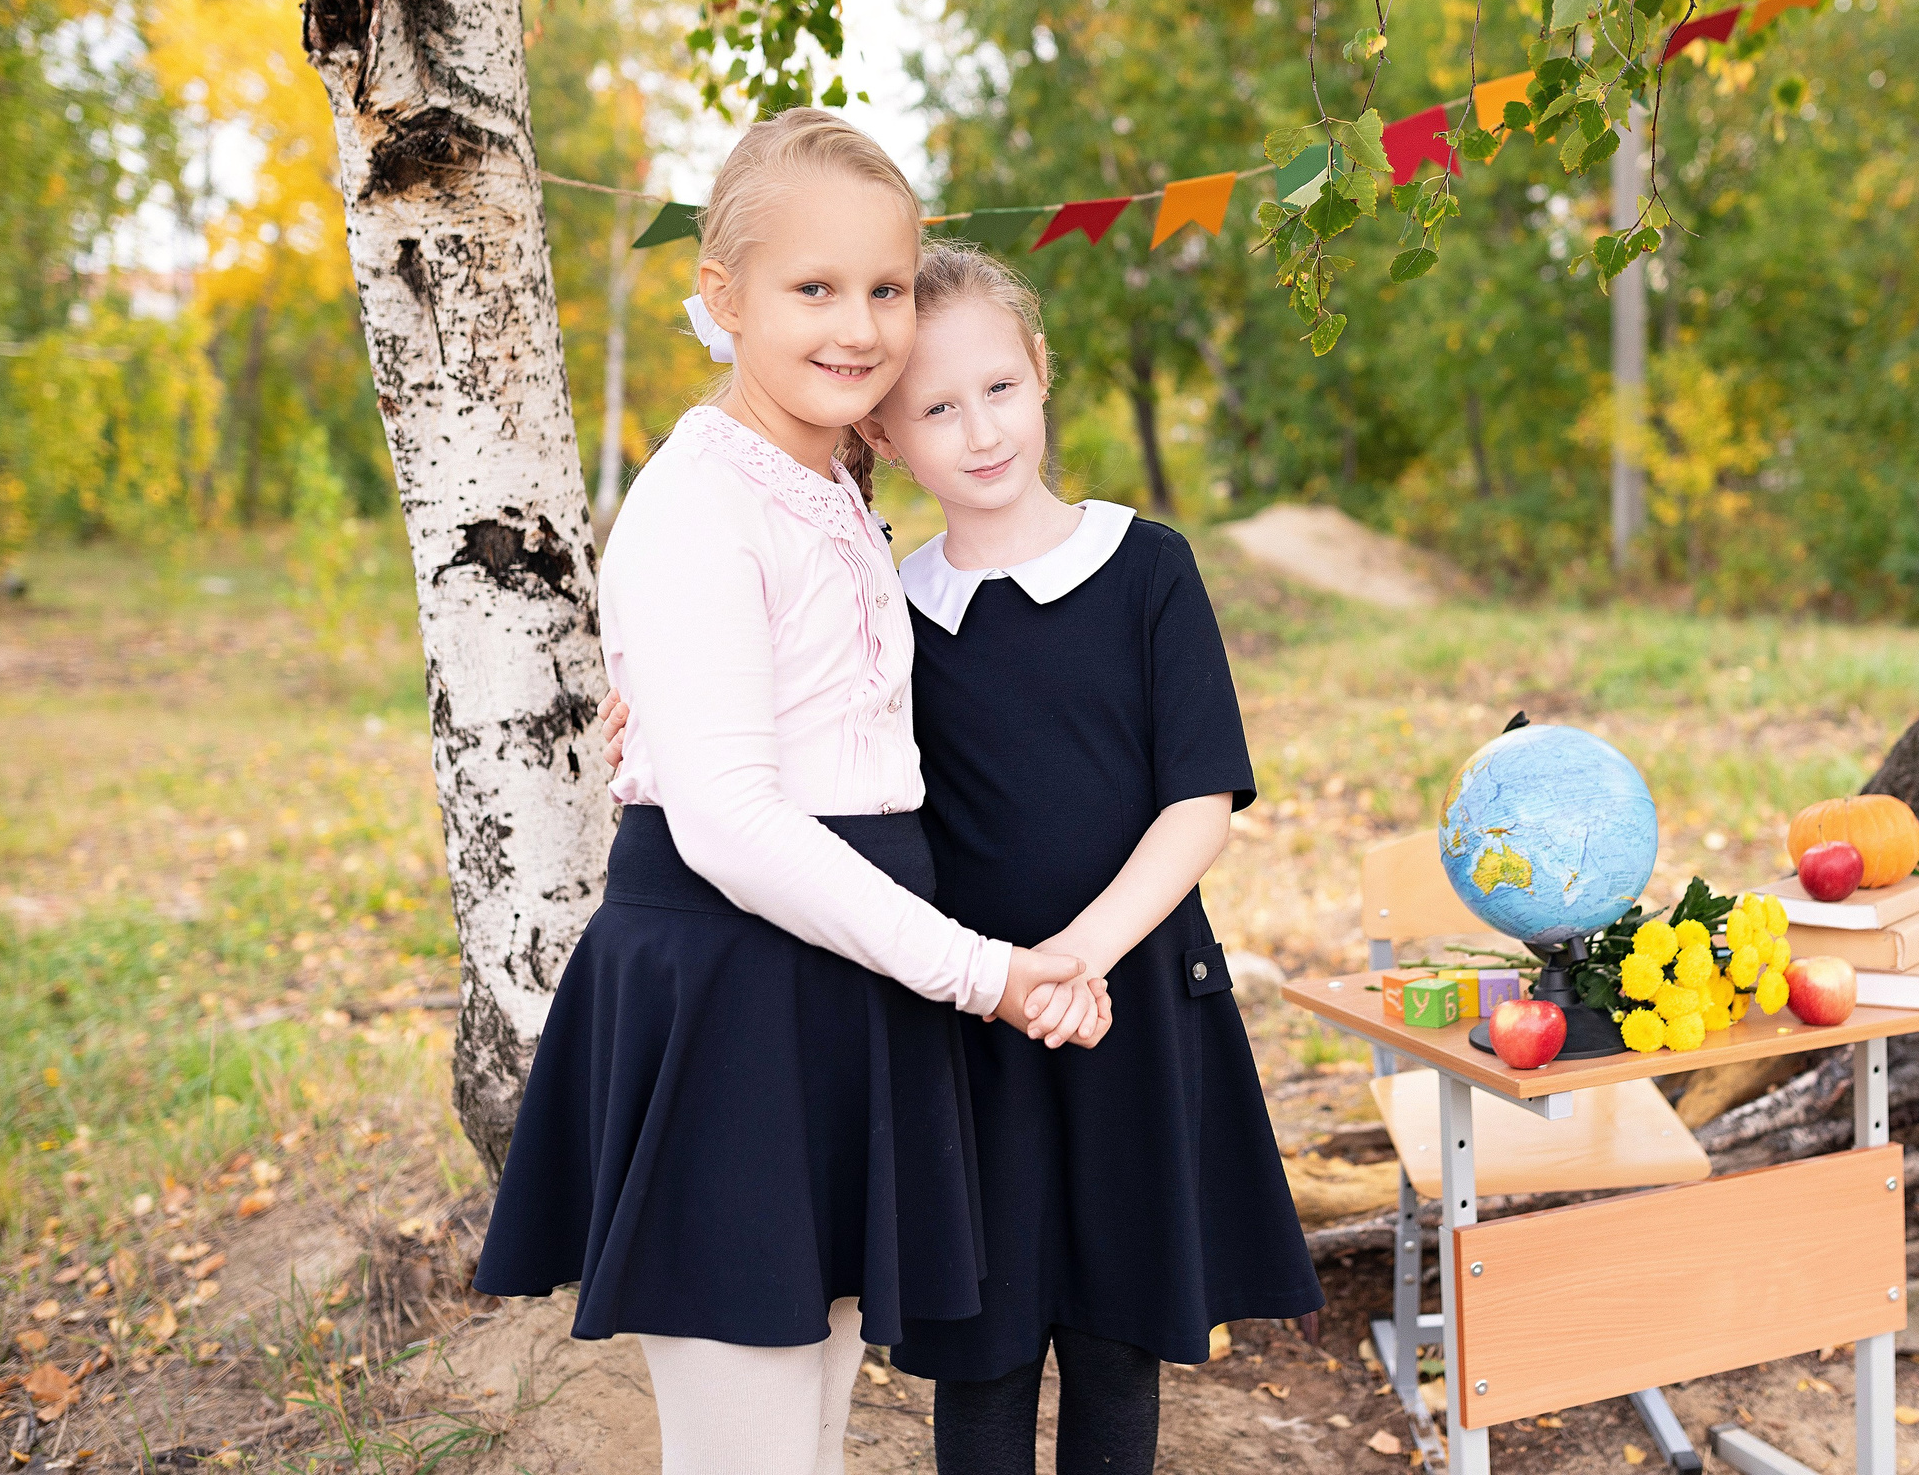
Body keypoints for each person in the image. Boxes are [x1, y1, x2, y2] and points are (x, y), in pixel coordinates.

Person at [609, 241, 1319, 1472]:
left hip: (1123, 1002)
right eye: (934, 408)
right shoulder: (895, 600)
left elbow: (1199, 801)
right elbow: (789, 710)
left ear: (1042, 375)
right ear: (883, 437)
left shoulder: (1146, 567)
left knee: (1114, 1340)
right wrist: (646, 691)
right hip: (961, 1021)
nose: (978, 429)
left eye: (998, 387)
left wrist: (1075, 960)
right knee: (980, 1349)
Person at [472, 113, 1103, 1475]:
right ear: (722, 298)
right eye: (813, 288)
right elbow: (735, 825)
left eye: (884, 287)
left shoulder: (826, 478)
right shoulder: (703, 498)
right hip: (735, 989)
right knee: (751, 1446)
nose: (860, 324)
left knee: (810, 1412)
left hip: (834, 987)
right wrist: (980, 970)